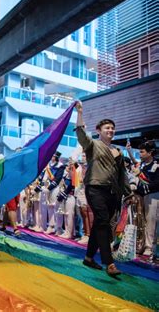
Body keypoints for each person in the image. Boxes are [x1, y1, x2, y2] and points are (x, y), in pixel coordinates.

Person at [75, 101, 131, 277]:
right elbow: (82, 134)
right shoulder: (93, 145)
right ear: (99, 131)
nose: (110, 130)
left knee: (101, 223)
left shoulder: (118, 152)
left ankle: (89, 258)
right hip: (95, 188)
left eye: (112, 128)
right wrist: (80, 113)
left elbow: (123, 175)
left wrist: (128, 193)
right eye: (107, 128)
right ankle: (109, 262)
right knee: (103, 221)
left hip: (113, 193)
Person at [134, 142, 159, 257]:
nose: (140, 154)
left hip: (153, 196)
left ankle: (149, 247)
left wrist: (143, 186)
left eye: (142, 151)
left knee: (151, 222)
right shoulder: (143, 165)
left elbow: (156, 183)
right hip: (142, 196)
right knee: (142, 221)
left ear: (150, 153)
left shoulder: (156, 165)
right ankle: (142, 244)